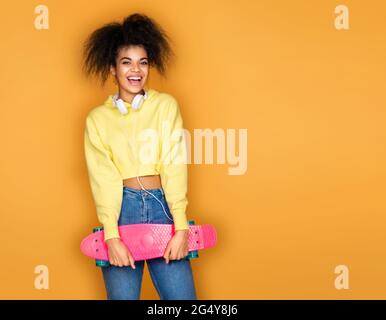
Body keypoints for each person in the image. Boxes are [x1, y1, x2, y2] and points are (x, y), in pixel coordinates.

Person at [81, 13, 197, 300]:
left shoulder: (166, 106)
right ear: (112, 68)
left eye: (142, 62)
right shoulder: (97, 119)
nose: (136, 70)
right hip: (122, 211)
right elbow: (103, 179)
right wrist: (111, 235)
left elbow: (174, 163)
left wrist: (181, 227)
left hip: (163, 207)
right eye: (126, 62)